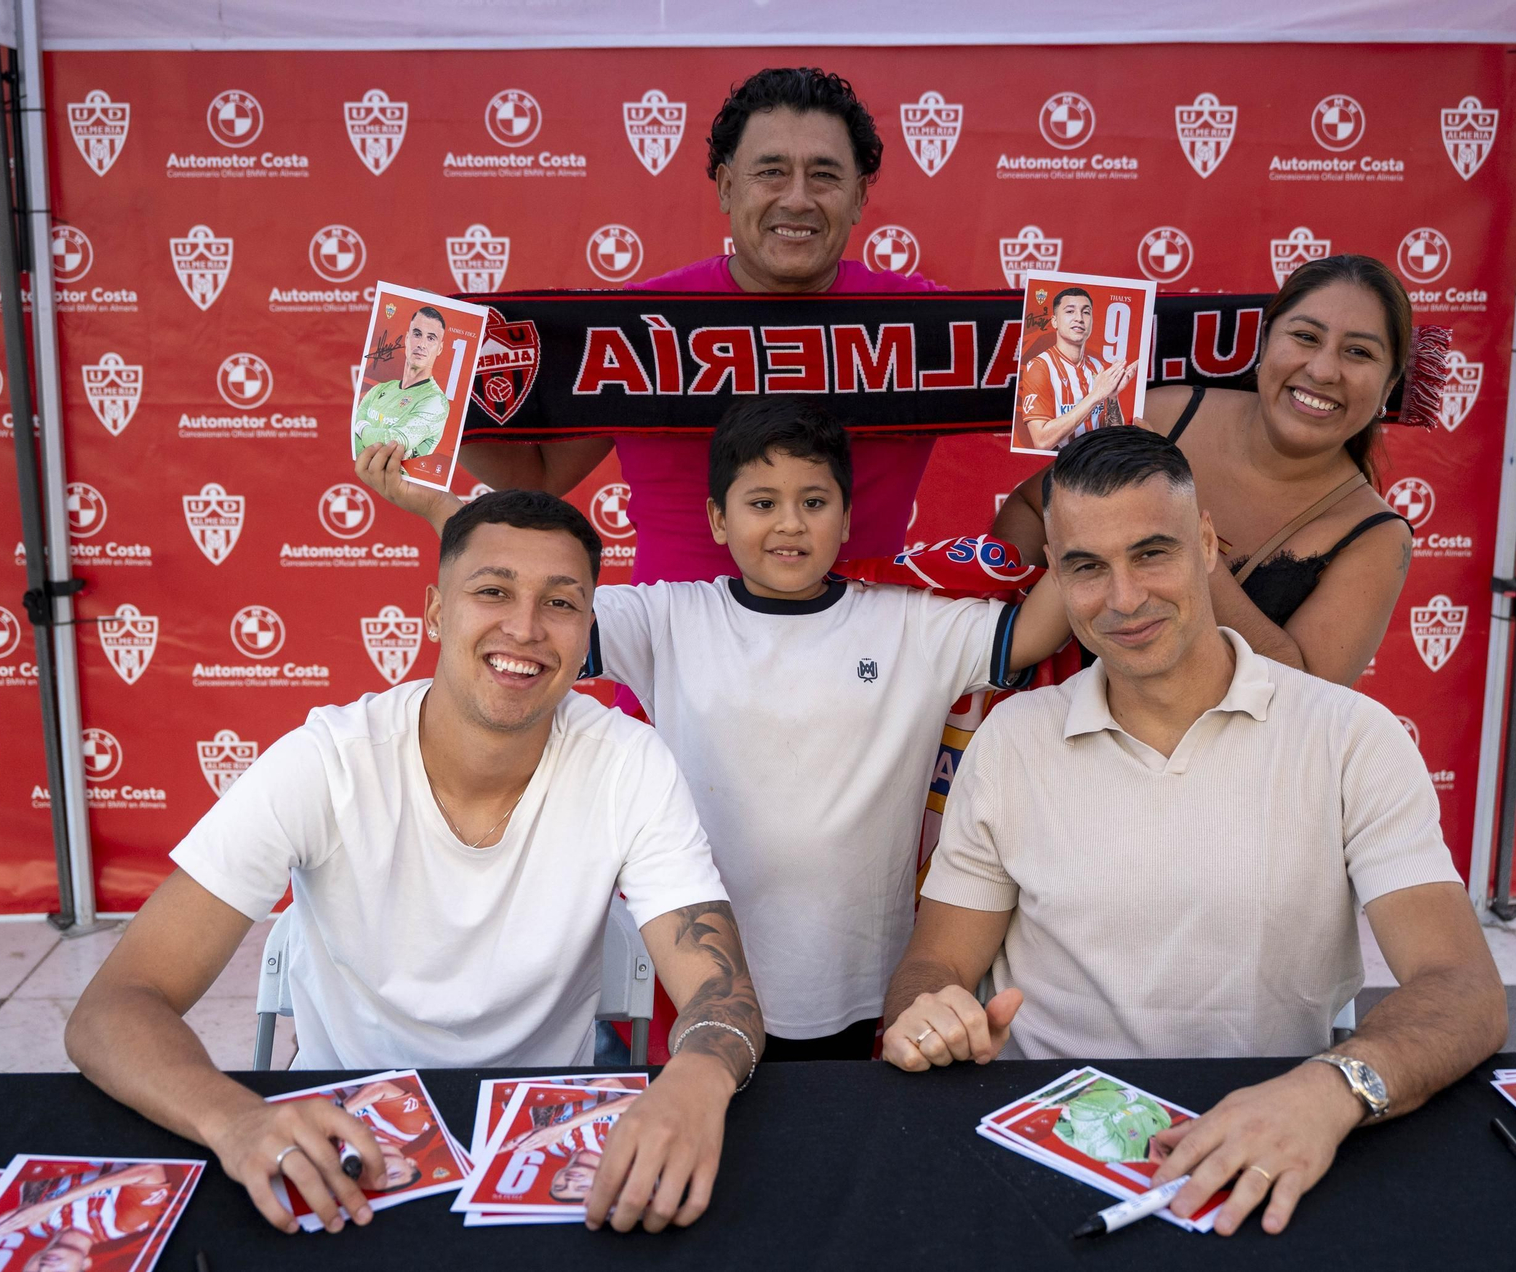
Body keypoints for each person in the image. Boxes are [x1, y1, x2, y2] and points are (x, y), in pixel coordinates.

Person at [65, 490, 765, 1238]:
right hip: (341, 1133)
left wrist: (695, 1079)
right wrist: (236, 1119)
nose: (525, 627)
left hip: (541, 1135)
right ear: (434, 611)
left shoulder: (629, 762)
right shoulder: (328, 762)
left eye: (560, 603)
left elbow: (721, 994)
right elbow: (113, 1008)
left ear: (587, 627)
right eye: (492, 591)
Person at [880, 426, 1506, 1237]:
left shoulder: (1350, 736)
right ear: (1056, 575)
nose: (1124, 598)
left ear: (1207, 543)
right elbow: (934, 964)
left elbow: (1462, 988)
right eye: (1087, 567)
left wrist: (1331, 1089)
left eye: (1152, 554)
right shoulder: (1012, 739)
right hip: (1048, 1146)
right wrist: (926, 1016)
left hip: (1274, 1137)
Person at [359, 397, 1070, 1060]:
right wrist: (436, 507)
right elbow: (533, 605)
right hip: (703, 993)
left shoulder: (913, 622)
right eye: (762, 503)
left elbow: (1037, 630)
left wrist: (1085, 494)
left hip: (869, 991)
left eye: (814, 502)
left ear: (848, 518)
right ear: (718, 519)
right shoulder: (669, 617)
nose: (789, 524)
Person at [446, 66, 944, 587]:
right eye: (771, 172)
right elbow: (540, 474)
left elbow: (1020, 404)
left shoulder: (928, 322)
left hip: (866, 636)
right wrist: (414, 406)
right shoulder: (637, 324)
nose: (797, 198)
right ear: (727, 187)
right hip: (670, 638)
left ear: (859, 196)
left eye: (824, 175)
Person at [995, 254, 1416, 686]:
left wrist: (1179, 526)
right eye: (1306, 337)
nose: (1323, 370)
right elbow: (1030, 510)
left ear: (1389, 384)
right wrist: (1013, 644)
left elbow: (1302, 694)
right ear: (1266, 340)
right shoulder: (1165, 415)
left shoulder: (1377, 537)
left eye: (1359, 352)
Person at [0, 1162, 173, 1268]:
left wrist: (27, 1203)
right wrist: (52, 1204)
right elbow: (151, 1169)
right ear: (86, 1264)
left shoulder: (33, 1226)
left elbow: (33, 1173)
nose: (46, 1269)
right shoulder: (122, 1225)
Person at [1016, 286, 1135, 451]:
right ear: (1054, 321)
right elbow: (1042, 442)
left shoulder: (1097, 366)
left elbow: (1116, 438)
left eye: (1086, 312)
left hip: (1098, 460)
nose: (1079, 318)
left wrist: (1112, 397)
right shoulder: (1040, 366)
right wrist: (1096, 396)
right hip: (1063, 463)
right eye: (1070, 311)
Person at [352, 304, 450, 459]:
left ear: (440, 348)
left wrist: (362, 427)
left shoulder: (436, 401)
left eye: (431, 338)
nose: (421, 344)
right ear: (407, 339)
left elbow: (394, 442)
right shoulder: (380, 389)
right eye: (417, 334)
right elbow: (353, 437)